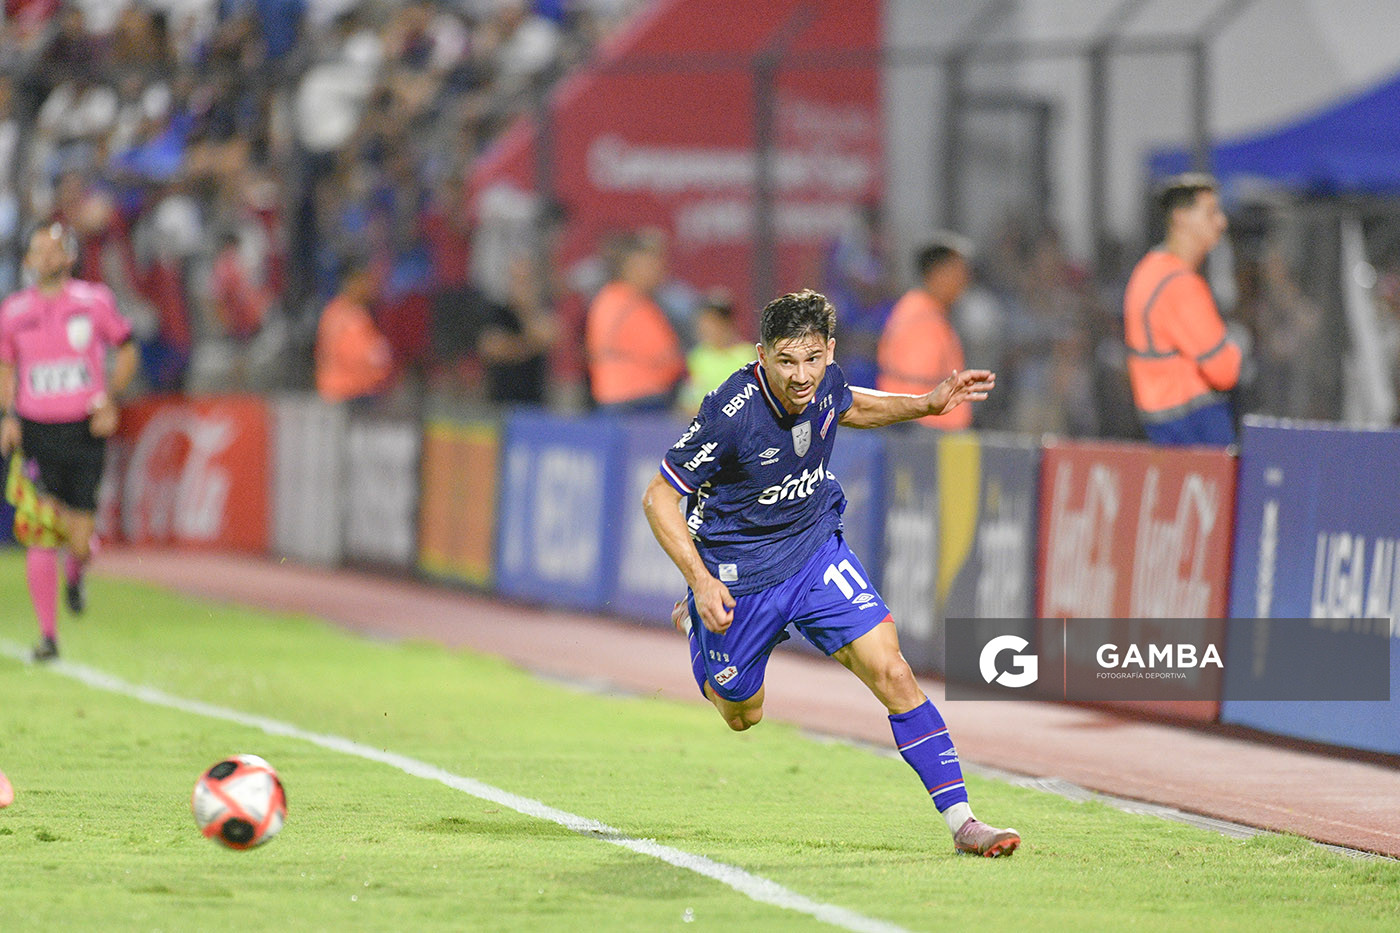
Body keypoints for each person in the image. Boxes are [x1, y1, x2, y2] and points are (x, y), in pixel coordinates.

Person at [641, 289, 1019, 857]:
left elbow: (850, 404)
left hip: (816, 550)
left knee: (892, 671)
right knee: (744, 714)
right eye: (787, 361)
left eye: (813, 359)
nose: (802, 376)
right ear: (762, 354)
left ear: (829, 351)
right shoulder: (731, 412)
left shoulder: (827, 381)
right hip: (739, 574)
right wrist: (700, 581)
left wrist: (927, 403)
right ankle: (700, 627)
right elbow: (658, 499)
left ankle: (964, 822)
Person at [0, 223, 139, 661]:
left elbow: (128, 347)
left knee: (79, 540)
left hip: (82, 430)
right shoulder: (13, 311)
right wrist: (8, 416)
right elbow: (6, 367)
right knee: (40, 531)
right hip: (36, 431)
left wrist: (110, 400)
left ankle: (77, 572)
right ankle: (48, 637)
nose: (44, 257)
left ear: (68, 257)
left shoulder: (94, 301)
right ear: (26, 261)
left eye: (52, 249)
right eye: (36, 249)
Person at [1123, 174, 1242, 445]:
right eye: (1211, 213)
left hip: (1160, 423)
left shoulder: (1148, 270)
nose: (1221, 222)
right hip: (1196, 425)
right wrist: (1236, 348)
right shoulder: (1180, 285)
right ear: (1181, 217)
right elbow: (1224, 371)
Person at [876, 238, 975, 429]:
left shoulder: (926, 311)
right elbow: (916, 387)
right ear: (937, 274)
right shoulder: (922, 320)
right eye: (958, 272)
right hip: (924, 431)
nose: (964, 281)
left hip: (924, 429)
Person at [585, 229, 685, 410]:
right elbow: (667, 356)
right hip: (639, 400)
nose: (660, 272)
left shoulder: (607, 298)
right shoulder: (631, 303)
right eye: (653, 265)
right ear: (632, 267)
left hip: (611, 396)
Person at [315, 260, 394, 404]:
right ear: (352, 282)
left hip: (341, 391)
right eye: (364, 281)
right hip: (348, 393)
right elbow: (361, 355)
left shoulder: (338, 310)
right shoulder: (347, 315)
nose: (369, 287)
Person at [680, 291, 752, 411]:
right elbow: (689, 398)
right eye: (704, 322)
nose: (706, 328)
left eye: (713, 322)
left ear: (728, 323)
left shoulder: (749, 355)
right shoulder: (697, 356)